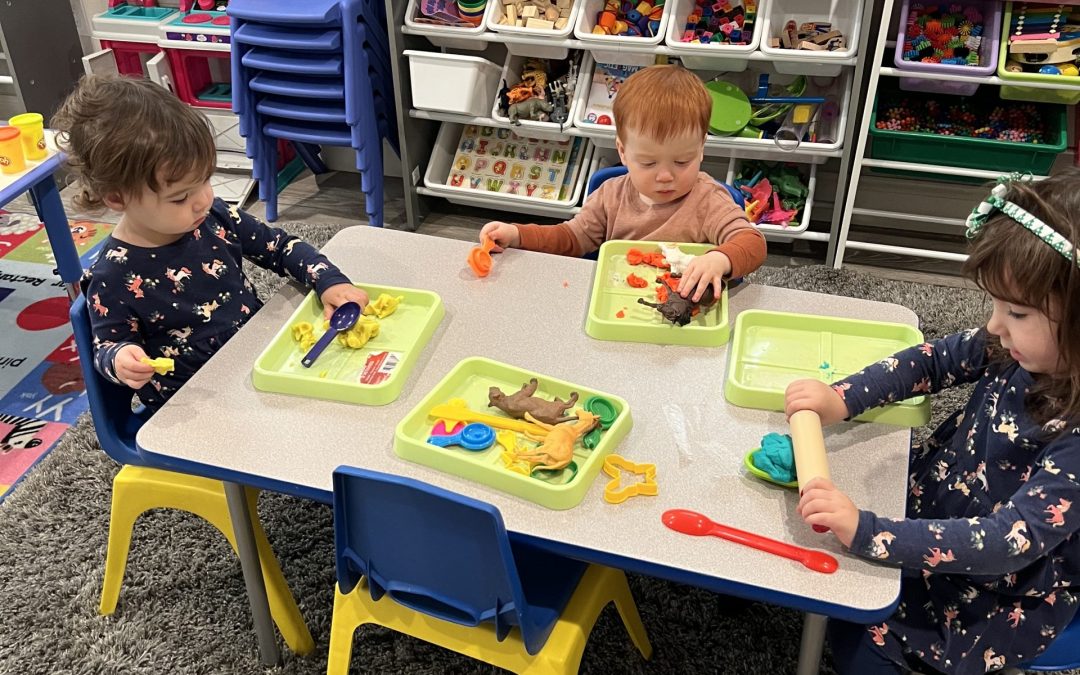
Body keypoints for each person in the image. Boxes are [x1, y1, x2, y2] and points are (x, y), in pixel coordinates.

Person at [785, 172, 1080, 675]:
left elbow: (1006, 541)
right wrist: (842, 399)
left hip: (995, 585)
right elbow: (932, 361)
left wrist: (868, 532)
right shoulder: (1015, 348)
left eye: (1016, 312)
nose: (993, 325)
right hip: (941, 497)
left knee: (862, 649)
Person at [54, 74, 368, 413]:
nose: (204, 199)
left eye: (206, 179)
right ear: (117, 198)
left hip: (257, 360)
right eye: (180, 197)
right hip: (195, 402)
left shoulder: (214, 216)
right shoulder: (114, 274)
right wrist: (120, 360)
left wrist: (328, 280)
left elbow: (279, 247)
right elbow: (108, 345)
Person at [479, 64, 766, 302]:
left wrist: (720, 260)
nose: (665, 175)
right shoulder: (610, 197)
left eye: (682, 162)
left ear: (701, 148)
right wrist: (518, 235)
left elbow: (752, 242)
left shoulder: (707, 200)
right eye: (648, 163)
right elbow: (570, 239)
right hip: (619, 301)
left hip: (687, 309)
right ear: (623, 152)